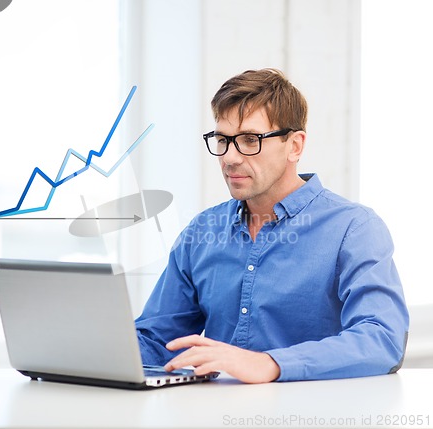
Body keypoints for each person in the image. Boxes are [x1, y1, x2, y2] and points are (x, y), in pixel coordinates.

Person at [135, 68, 409, 383]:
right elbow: (157, 338)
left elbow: (382, 339)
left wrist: (271, 363)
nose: (230, 158)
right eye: (223, 140)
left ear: (295, 146)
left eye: (250, 140)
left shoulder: (355, 229)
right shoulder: (201, 231)